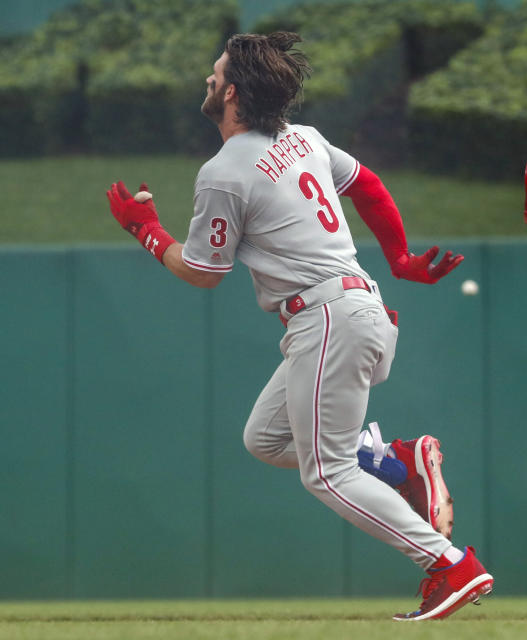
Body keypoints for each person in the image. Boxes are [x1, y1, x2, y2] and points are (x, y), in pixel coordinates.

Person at [105, 32, 491, 621]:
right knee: (265, 439)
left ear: (232, 91)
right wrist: (400, 258)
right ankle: (395, 462)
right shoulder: (303, 139)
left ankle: (449, 565)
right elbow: (367, 184)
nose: (209, 78)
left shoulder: (224, 171)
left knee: (327, 473)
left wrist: (146, 231)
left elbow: (205, 273)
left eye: (216, 72)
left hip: (328, 319)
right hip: (355, 308)